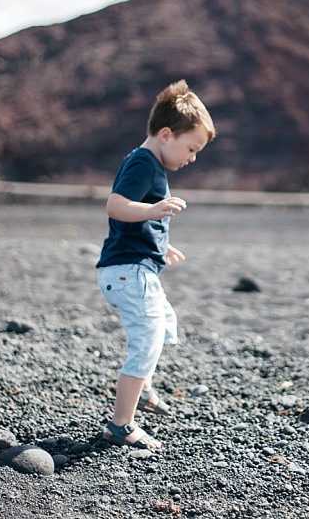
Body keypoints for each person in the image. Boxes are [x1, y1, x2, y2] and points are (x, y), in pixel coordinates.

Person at [96, 80, 215, 450]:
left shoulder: (151, 166)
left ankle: (143, 389)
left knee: (164, 326)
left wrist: (161, 245)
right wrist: (154, 209)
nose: (192, 158)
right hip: (128, 272)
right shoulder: (144, 163)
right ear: (166, 134)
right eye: (191, 148)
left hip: (136, 267)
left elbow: (135, 223)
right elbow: (116, 206)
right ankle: (121, 425)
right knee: (147, 342)